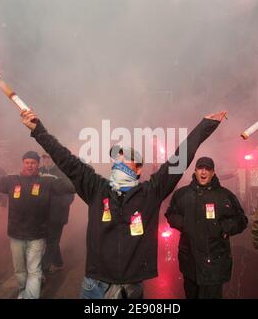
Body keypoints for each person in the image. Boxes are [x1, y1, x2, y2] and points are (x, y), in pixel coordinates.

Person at [21, 109, 227, 299]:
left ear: (138, 169)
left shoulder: (150, 192)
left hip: (131, 287)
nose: (117, 161)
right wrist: (39, 131)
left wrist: (205, 126)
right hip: (96, 285)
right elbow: (66, 160)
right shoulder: (96, 188)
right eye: (115, 159)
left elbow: (179, 160)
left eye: (124, 158)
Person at [0, 151, 75, 299]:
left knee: (34, 270)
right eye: (27, 162)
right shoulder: (12, 180)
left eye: (33, 163)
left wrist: (82, 177)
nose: (30, 165)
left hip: (37, 235)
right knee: (19, 270)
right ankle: (24, 291)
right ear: (23, 163)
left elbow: (70, 187)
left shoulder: (47, 181)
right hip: (16, 235)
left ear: (37, 165)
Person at [165, 156, 247, 299]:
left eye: (207, 169)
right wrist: (185, 224)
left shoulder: (225, 196)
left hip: (215, 262)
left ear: (213, 172)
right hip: (190, 262)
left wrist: (225, 227)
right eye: (200, 168)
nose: (203, 172)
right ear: (195, 171)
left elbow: (242, 220)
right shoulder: (182, 194)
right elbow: (170, 214)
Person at [39, 153, 75, 274]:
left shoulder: (62, 173)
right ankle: (58, 263)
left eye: (49, 157)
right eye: (44, 158)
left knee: (52, 241)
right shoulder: (38, 172)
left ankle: (44, 269)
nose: (46, 160)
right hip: (42, 214)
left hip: (58, 214)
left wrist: (62, 205)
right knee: (50, 240)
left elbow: (70, 192)